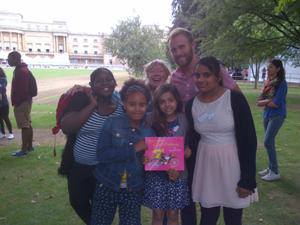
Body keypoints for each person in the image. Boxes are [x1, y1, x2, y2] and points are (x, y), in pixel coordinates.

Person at [168, 27, 240, 225]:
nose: (178, 53)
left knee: (221, 193)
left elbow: (237, 99)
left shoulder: (213, 69)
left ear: (192, 45)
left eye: (181, 47)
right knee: (188, 192)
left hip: (216, 143)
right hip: (187, 141)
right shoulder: (174, 78)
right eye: (173, 50)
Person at [185, 56, 257, 225]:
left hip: (232, 167)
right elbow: (194, 138)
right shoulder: (191, 105)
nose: (201, 79)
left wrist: (247, 179)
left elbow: (249, 141)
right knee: (207, 217)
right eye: (197, 75)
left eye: (206, 75)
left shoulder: (234, 99)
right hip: (206, 167)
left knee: (233, 218)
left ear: (218, 77)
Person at [60, 68, 123, 224]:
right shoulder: (82, 100)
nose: (105, 83)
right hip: (80, 166)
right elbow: (67, 127)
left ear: (115, 83)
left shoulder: (121, 103)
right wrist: (92, 106)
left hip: (105, 168)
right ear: (91, 85)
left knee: (102, 206)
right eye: (99, 81)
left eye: (109, 79)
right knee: (77, 202)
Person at [91, 78, 155, 225]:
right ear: (124, 104)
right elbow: (102, 155)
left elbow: (150, 161)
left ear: (147, 105)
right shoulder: (111, 123)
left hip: (133, 188)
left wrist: (147, 161)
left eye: (142, 104)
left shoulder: (149, 132)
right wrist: (133, 149)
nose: (137, 109)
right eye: (132, 104)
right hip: (107, 184)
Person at [143, 84, 191, 225]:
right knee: (157, 214)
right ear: (157, 104)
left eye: (170, 100)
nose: (167, 105)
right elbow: (146, 147)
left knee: (173, 214)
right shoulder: (150, 120)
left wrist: (187, 151)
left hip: (178, 175)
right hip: (156, 176)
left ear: (177, 100)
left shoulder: (184, 120)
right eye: (162, 101)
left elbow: (187, 145)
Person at [257, 59, 287, 181]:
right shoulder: (268, 82)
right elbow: (260, 99)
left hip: (277, 115)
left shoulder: (281, 83)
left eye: (271, 67)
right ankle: (271, 168)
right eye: (268, 67)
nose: (268, 70)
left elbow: (275, 103)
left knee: (267, 141)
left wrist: (264, 102)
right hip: (267, 114)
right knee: (270, 142)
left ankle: (275, 171)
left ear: (278, 69)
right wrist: (265, 101)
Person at [7, 51, 33, 156]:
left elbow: (22, 90)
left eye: (9, 59)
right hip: (25, 101)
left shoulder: (20, 71)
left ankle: (24, 149)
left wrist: (17, 102)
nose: (8, 61)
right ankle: (29, 146)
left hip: (22, 102)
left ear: (15, 59)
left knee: (24, 125)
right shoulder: (22, 69)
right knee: (27, 123)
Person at [0, 67, 14, 140]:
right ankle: (2, 133)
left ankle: (11, 133)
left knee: (5, 118)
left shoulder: (3, 80)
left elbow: (1, 91)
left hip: (4, 104)